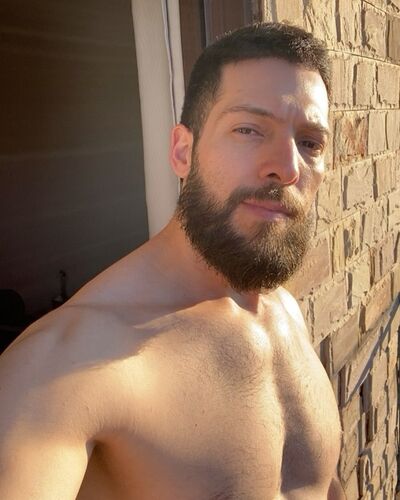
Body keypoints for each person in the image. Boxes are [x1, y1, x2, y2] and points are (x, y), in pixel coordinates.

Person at [0, 22, 346, 499]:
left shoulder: (285, 310)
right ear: (183, 151)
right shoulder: (61, 368)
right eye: (248, 129)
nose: (287, 168)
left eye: (310, 143)